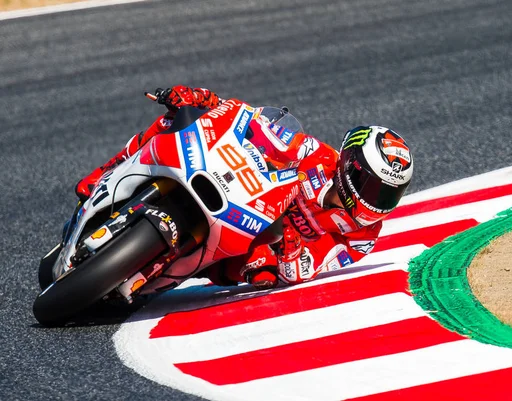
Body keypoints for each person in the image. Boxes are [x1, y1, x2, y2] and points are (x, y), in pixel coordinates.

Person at [76, 85, 414, 290]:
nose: (378, 201)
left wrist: (291, 244)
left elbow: (302, 272)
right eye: (375, 187)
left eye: (388, 193)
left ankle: (172, 270)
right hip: (240, 193)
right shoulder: (316, 154)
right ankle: (106, 172)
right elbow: (254, 123)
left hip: (263, 244)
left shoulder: (363, 235)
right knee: (177, 120)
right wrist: (204, 100)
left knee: (262, 273)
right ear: (349, 165)